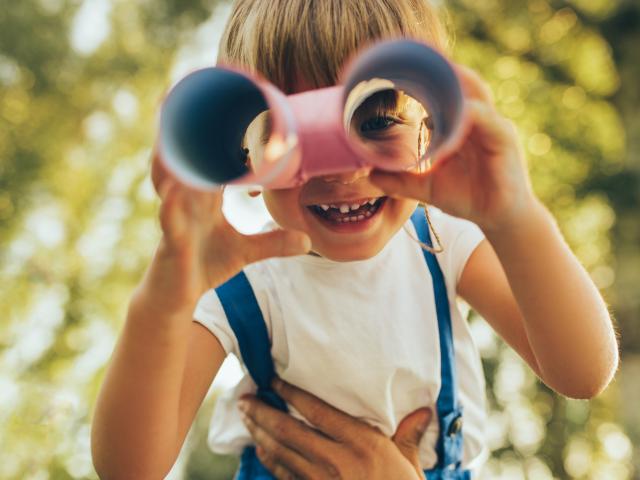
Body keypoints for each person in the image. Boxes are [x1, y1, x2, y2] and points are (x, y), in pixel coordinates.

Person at [90, 0, 619, 479]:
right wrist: (163, 300)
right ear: (240, 158)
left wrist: (514, 217)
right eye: (284, 133)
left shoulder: (442, 242)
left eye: (378, 118)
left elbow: (582, 371)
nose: (341, 170)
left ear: (433, 127)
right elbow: (129, 469)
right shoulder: (236, 281)